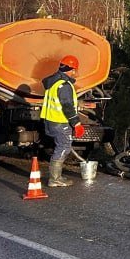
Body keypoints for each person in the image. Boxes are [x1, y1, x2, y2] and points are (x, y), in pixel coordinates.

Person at [40, 55, 84, 187]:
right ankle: (55, 179)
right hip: (60, 122)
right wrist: (76, 123)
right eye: (75, 70)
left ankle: (56, 177)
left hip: (51, 121)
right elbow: (67, 106)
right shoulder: (64, 85)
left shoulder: (53, 82)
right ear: (72, 70)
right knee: (64, 147)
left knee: (61, 146)